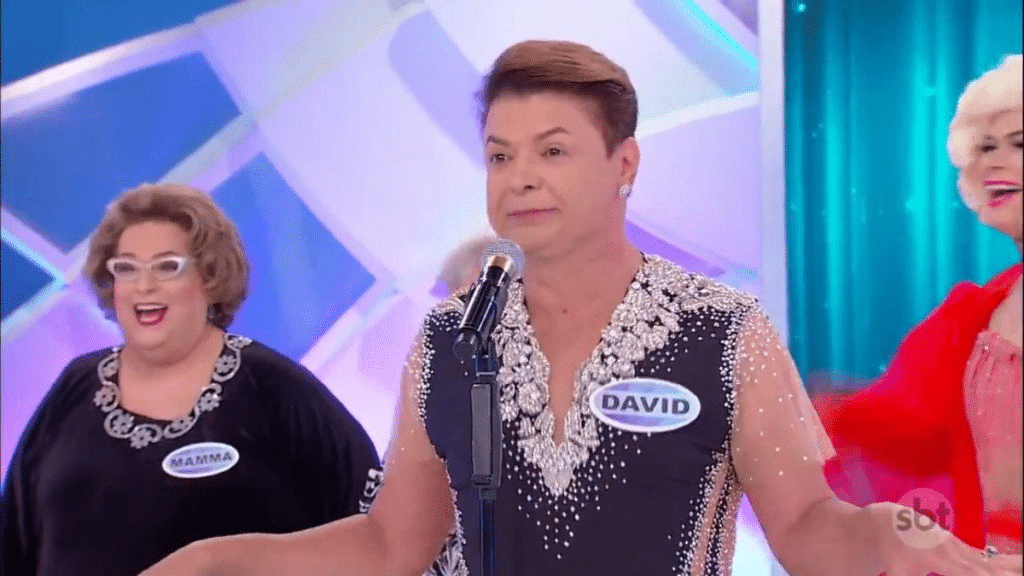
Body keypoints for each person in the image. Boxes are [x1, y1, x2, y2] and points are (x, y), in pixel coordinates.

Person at [140, 41, 1021, 576]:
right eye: (500, 156)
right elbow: (388, 549)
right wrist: (223, 560)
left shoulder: (726, 332)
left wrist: (883, 533)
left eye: (552, 151)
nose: (520, 177)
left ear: (624, 165)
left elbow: (804, 531)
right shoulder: (448, 340)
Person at [0, 183, 381, 576]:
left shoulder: (273, 386)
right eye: (126, 268)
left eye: (167, 267)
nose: (144, 286)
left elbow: (377, 536)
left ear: (210, 278)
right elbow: (13, 540)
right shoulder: (75, 384)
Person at [816, 54, 1022, 556]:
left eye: (1019, 144)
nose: (992, 163)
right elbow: (890, 427)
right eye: (985, 147)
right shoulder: (973, 314)